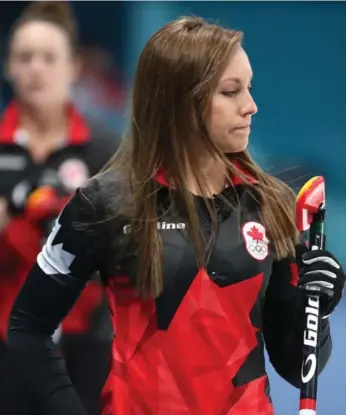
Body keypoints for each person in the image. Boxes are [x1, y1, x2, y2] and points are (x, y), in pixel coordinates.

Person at [7, 16, 345, 415]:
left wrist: (315, 308)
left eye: (248, 88)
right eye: (231, 92)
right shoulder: (105, 202)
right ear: (182, 101)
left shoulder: (270, 204)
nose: (250, 106)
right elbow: (27, 329)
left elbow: (299, 367)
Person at [0, 2, 120, 414]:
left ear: (73, 68)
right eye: (23, 57)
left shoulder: (108, 151)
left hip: (89, 346)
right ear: (8, 67)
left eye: (48, 57)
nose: (35, 68)